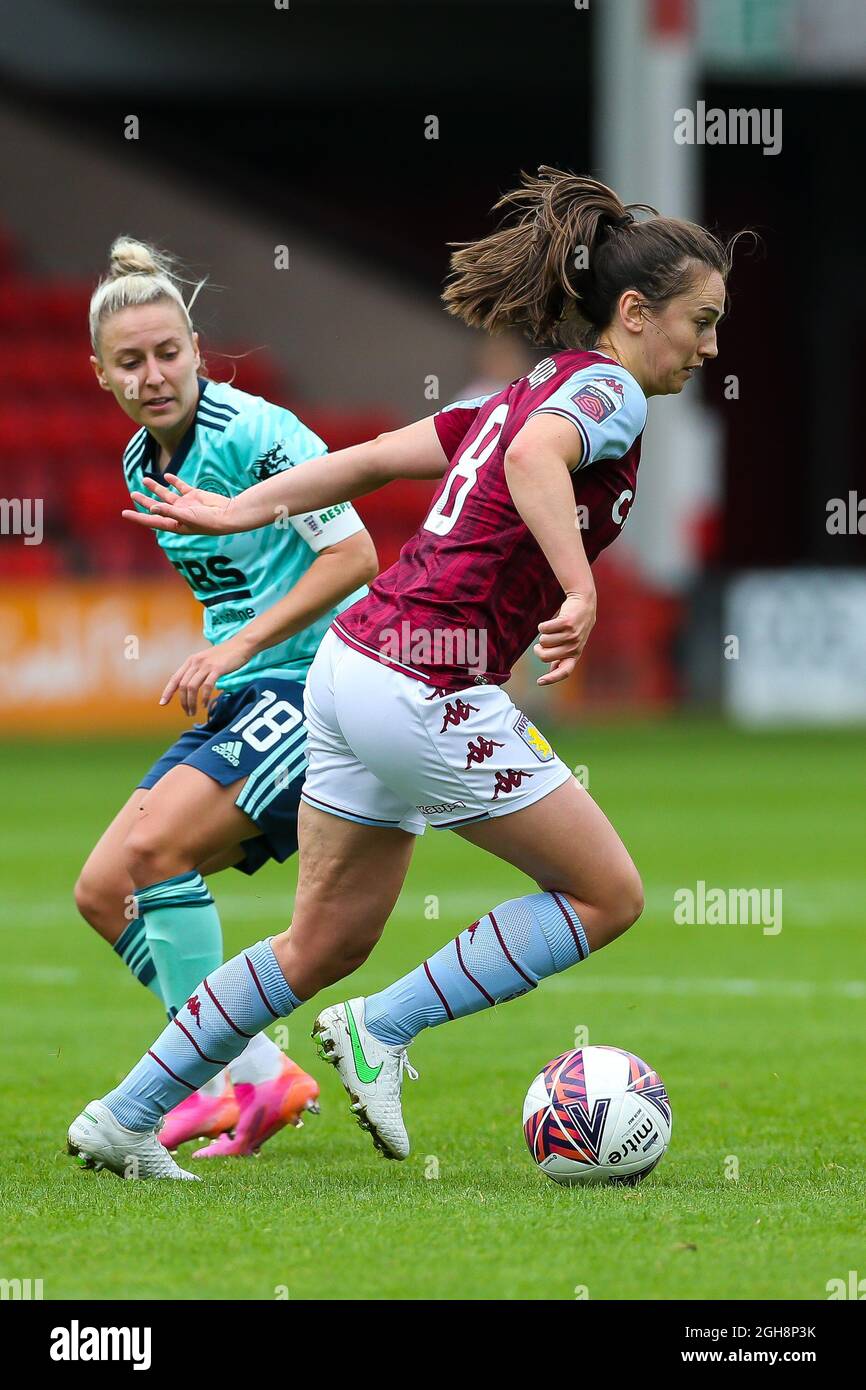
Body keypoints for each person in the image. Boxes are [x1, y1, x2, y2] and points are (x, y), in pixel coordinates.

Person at [67, 171, 731, 1179]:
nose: (708, 347)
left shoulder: (522, 388)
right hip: (423, 679)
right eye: (700, 321)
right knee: (604, 895)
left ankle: (127, 1112)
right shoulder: (603, 393)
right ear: (634, 314)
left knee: (319, 942)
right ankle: (382, 1028)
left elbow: (375, 456)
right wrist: (577, 592)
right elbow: (535, 464)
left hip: (347, 668)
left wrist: (241, 507)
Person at [73, 237, 377, 1166]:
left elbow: (356, 555)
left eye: (169, 353)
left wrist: (238, 646)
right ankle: (249, 1071)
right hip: (247, 693)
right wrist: (231, 654)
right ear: (101, 376)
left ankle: (175, 1092)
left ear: (198, 350)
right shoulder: (140, 464)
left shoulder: (262, 435)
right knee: (101, 890)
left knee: (159, 852)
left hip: (323, 683)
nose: (155, 374)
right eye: (131, 362)